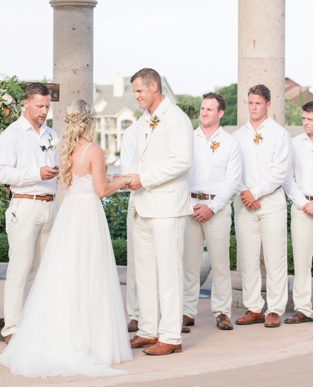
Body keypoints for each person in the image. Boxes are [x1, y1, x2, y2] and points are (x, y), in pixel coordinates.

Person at [0, 99, 133, 378]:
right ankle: (90, 339)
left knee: (63, 274)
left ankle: (57, 332)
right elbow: (102, 189)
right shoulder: (93, 150)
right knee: (89, 273)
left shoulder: (63, 148)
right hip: (86, 215)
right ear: (90, 121)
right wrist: (125, 180)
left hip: (69, 212)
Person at [124, 68, 193, 356]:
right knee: (146, 274)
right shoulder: (142, 122)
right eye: (135, 92)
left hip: (166, 208)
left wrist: (144, 178)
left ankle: (171, 336)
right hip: (142, 207)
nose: (136, 96)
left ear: (154, 87)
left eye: (140, 91)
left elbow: (183, 161)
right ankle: (148, 330)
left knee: (168, 273)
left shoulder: (176, 118)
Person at [0, 82, 59, 343]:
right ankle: (12, 328)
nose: (44, 111)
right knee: (20, 269)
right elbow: (2, 174)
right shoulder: (11, 134)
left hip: (50, 205)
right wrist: (36, 173)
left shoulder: (52, 134)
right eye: (40, 106)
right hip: (25, 204)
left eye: (47, 106)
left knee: (42, 270)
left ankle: (34, 322)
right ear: (26, 104)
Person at [232, 84, 290, 328]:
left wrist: (254, 193)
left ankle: (275, 309)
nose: (253, 107)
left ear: (268, 105)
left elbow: (279, 172)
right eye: (250, 103)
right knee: (247, 257)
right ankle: (254, 307)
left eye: (258, 103)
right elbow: (232, 170)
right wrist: (246, 194)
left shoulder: (279, 134)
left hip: (272, 202)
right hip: (244, 202)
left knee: (275, 257)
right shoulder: (236, 136)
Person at [182, 92, 241, 332]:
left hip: (217, 208)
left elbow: (232, 181)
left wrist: (212, 207)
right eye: (202, 108)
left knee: (220, 264)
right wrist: (188, 204)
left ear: (220, 113)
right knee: (189, 264)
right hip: (190, 207)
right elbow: (180, 173)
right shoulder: (187, 139)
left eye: (209, 109)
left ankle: (222, 313)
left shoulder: (230, 143)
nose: (204, 113)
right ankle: (187, 312)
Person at [283, 101, 313, 324]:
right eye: (303, 118)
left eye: (310, 119)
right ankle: (303, 309)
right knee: (301, 262)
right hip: (301, 209)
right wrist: (304, 203)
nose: (305, 123)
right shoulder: (294, 144)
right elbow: (287, 178)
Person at [119, 121, 141, 333]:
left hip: (166, 199)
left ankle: (169, 315)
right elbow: (127, 169)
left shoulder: (171, 125)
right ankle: (135, 315)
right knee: (135, 260)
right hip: (138, 196)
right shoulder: (131, 132)